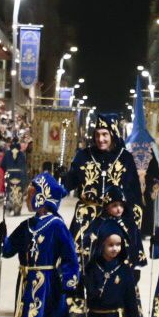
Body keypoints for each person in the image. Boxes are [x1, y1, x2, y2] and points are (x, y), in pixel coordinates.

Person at [0, 172, 82, 317]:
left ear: (43, 197)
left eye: (31, 193)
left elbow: (71, 257)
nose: (26, 197)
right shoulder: (26, 225)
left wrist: (69, 280)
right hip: (25, 284)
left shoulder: (56, 225)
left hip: (48, 285)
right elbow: (8, 250)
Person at [68, 114, 141, 268]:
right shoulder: (83, 156)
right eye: (97, 134)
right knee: (78, 260)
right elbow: (68, 184)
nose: (100, 139)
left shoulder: (125, 158)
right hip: (87, 218)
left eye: (105, 134)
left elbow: (134, 194)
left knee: (119, 264)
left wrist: (134, 224)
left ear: (113, 134)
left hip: (116, 217)